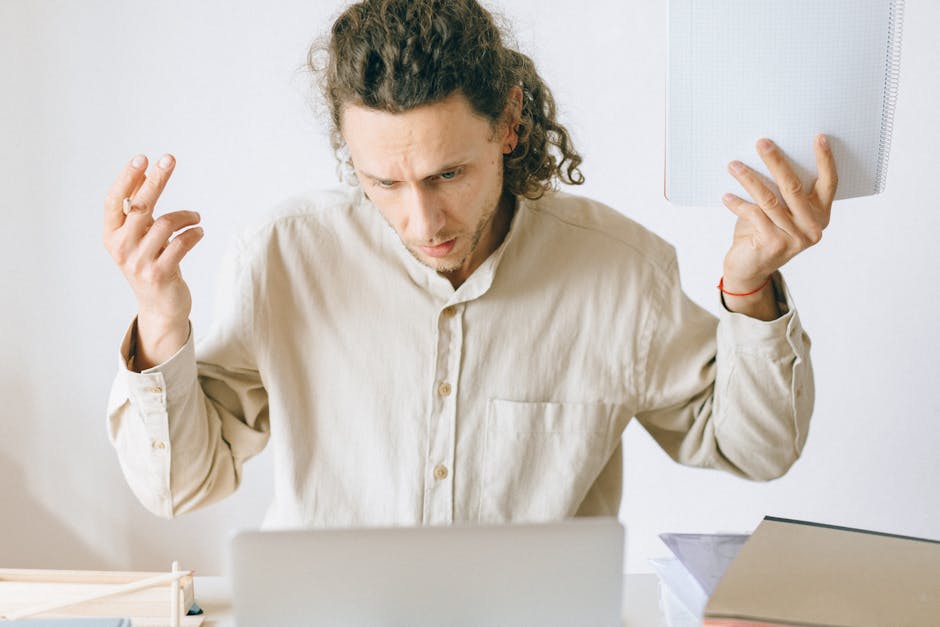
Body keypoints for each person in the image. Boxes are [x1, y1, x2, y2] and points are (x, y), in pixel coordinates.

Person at [103, 0, 835, 526]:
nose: (421, 222)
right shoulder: (282, 257)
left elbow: (757, 450)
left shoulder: (621, 271)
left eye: (448, 175)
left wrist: (748, 291)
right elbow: (181, 485)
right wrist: (161, 321)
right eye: (384, 182)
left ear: (509, 124)